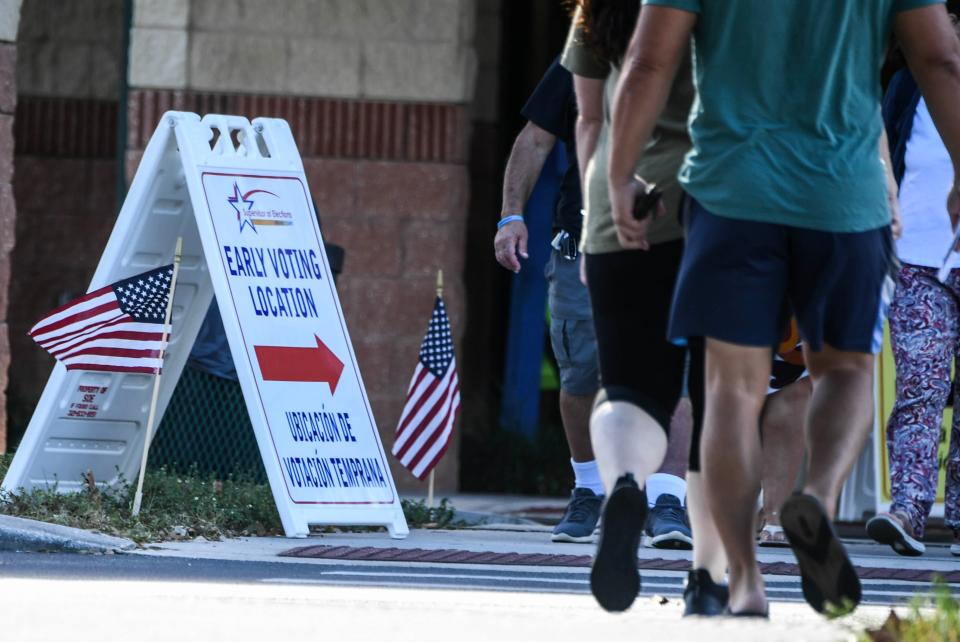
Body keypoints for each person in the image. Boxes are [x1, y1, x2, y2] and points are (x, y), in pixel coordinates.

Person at [606, 0, 960, 618]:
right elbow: (939, 57)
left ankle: (743, 579)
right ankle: (815, 501)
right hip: (844, 193)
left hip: (732, 191)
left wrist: (618, 176)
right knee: (846, 369)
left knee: (733, 391)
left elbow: (647, 60)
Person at [560, 1, 728, 615]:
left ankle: (624, 484)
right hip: (714, 203)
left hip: (618, 205)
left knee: (627, 388)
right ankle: (708, 574)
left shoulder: (593, 11)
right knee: (721, 398)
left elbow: (585, 120)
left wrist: (595, 217)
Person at [494, 53, 694, 547]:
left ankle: (667, 500)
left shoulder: (697, 48)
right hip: (586, 235)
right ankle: (589, 490)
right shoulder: (585, 49)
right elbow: (535, 138)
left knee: (677, 370)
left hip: (677, 234)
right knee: (580, 372)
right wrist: (509, 215)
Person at [868, 41, 960, 558]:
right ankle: (908, 509)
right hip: (917, 262)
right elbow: (881, 156)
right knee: (920, 389)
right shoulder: (907, 86)